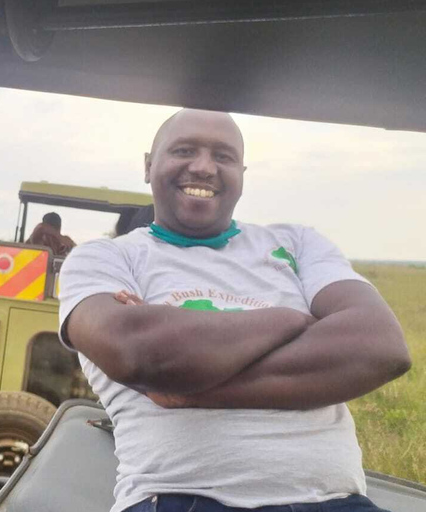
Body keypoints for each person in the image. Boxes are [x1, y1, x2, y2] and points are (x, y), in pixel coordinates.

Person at [59, 109, 411, 512]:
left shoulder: (297, 244)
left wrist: (187, 386)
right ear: (148, 165)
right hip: (181, 499)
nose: (204, 167)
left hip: (337, 502)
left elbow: (382, 348)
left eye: (223, 156)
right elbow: (140, 352)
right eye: (185, 150)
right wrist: (294, 320)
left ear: (242, 173)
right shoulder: (104, 259)